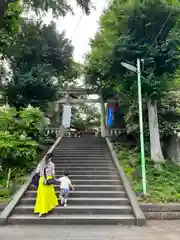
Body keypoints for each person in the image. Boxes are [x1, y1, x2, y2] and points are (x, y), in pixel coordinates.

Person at [34, 153, 58, 217]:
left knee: (41, 196)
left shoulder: (40, 164)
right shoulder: (52, 164)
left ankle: (41, 211)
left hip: (42, 180)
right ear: (50, 158)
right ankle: (48, 208)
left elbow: (37, 172)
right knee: (49, 195)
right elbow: (53, 173)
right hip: (48, 181)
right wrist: (55, 178)